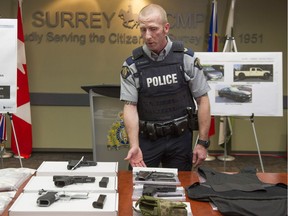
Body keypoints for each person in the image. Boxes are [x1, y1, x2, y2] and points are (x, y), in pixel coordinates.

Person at [120, 4, 211, 171]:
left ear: (166, 28)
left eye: (153, 29)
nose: (148, 36)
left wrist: (202, 142)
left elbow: (202, 99)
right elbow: (130, 106)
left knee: (180, 189)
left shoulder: (186, 59)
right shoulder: (132, 65)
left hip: (180, 138)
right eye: (143, 29)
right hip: (147, 140)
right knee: (138, 188)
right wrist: (134, 145)